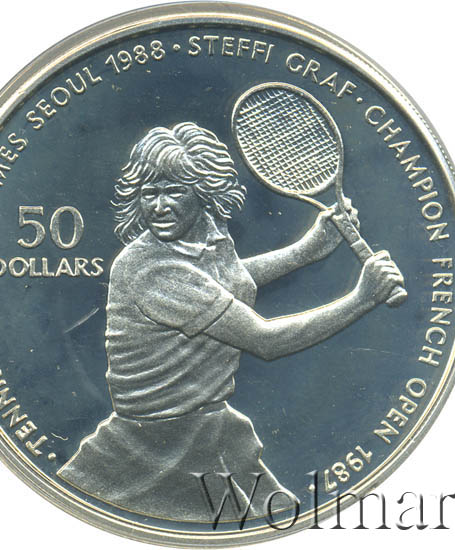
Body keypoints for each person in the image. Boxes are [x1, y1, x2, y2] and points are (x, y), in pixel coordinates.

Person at [58, 122, 404, 522]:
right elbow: (265, 340)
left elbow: (226, 282)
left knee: (279, 521)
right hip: (155, 450)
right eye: (149, 193)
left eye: (174, 191)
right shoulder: (151, 269)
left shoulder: (206, 239)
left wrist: (307, 250)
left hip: (212, 431)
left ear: (203, 192)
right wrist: (362, 299)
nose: (159, 206)